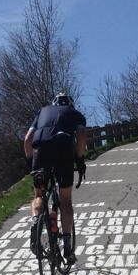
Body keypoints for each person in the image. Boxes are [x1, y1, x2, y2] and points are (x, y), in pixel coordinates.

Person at [24, 92, 87, 264]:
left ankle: (36, 221)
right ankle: (67, 248)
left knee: (38, 195)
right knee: (65, 200)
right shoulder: (74, 113)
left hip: (41, 151)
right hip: (63, 149)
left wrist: (32, 163)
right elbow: (81, 137)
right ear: (70, 104)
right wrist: (80, 160)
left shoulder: (42, 112)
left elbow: (28, 139)